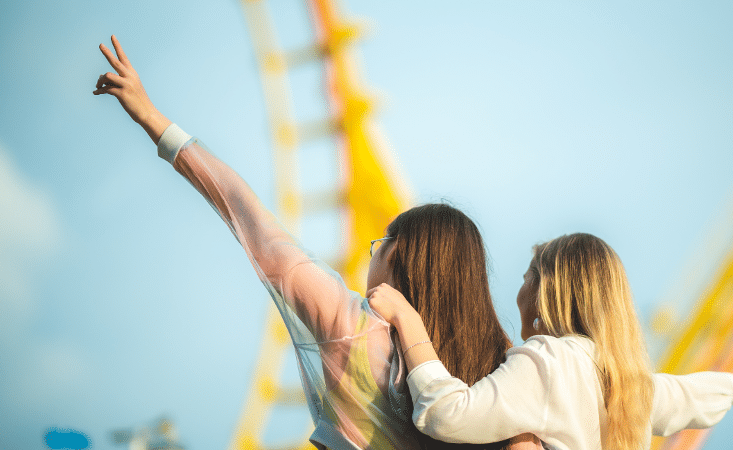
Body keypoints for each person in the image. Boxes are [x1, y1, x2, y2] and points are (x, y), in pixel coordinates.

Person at [93, 35, 538, 450]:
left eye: (379, 245)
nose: (371, 253)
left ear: (400, 254)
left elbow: (248, 218)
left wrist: (153, 118)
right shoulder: (502, 368)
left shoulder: (350, 327)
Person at [368, 233, 733, 450]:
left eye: (527, 277)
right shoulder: (622, 380)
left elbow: (449, 415)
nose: (519, 291)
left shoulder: (547, 362)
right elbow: (692, 394)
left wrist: (409, 320)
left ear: (547, 290)